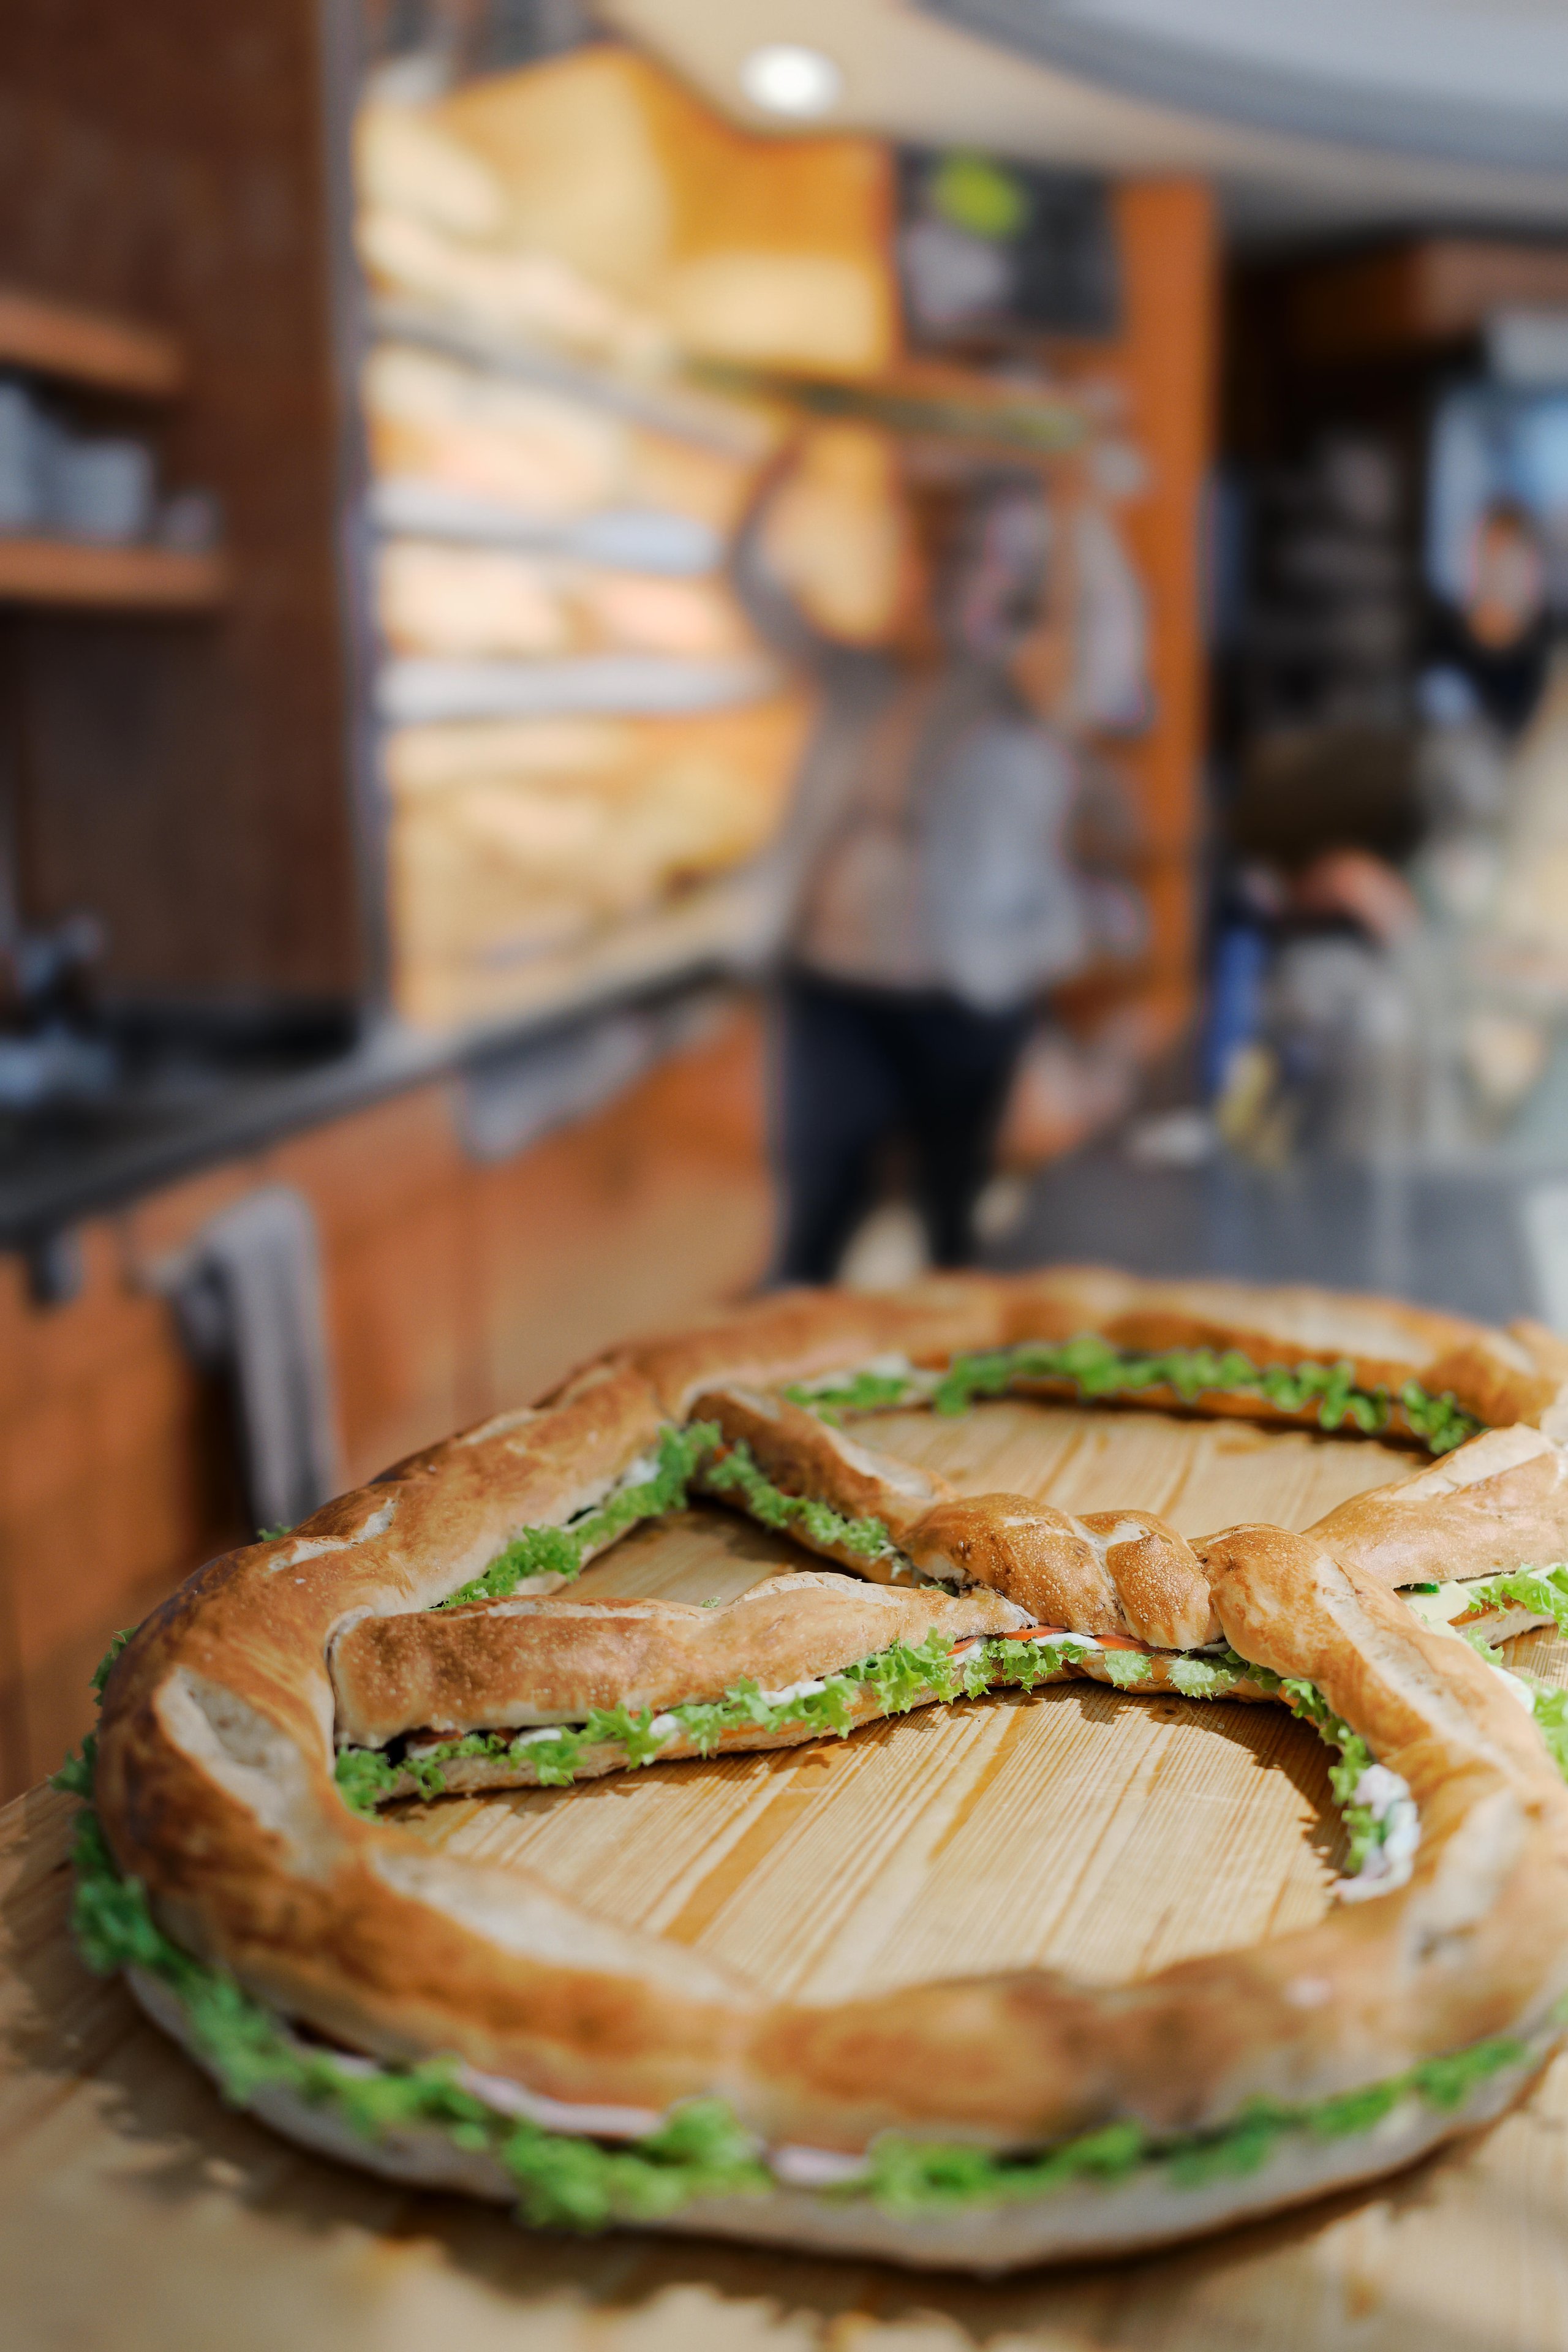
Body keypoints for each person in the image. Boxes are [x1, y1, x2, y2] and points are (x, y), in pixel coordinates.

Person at [734, 448, 1087, 1282]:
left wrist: (1078, 499)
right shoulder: (861, 677)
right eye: (951, 552)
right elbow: (752, 587)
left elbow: (1101, 641)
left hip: (962, 997)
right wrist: (785, 463)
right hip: (837, 987)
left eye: (990, 562)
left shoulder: (1027, 701)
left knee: (951, 1224)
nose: (962, 578)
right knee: (816, 1215)